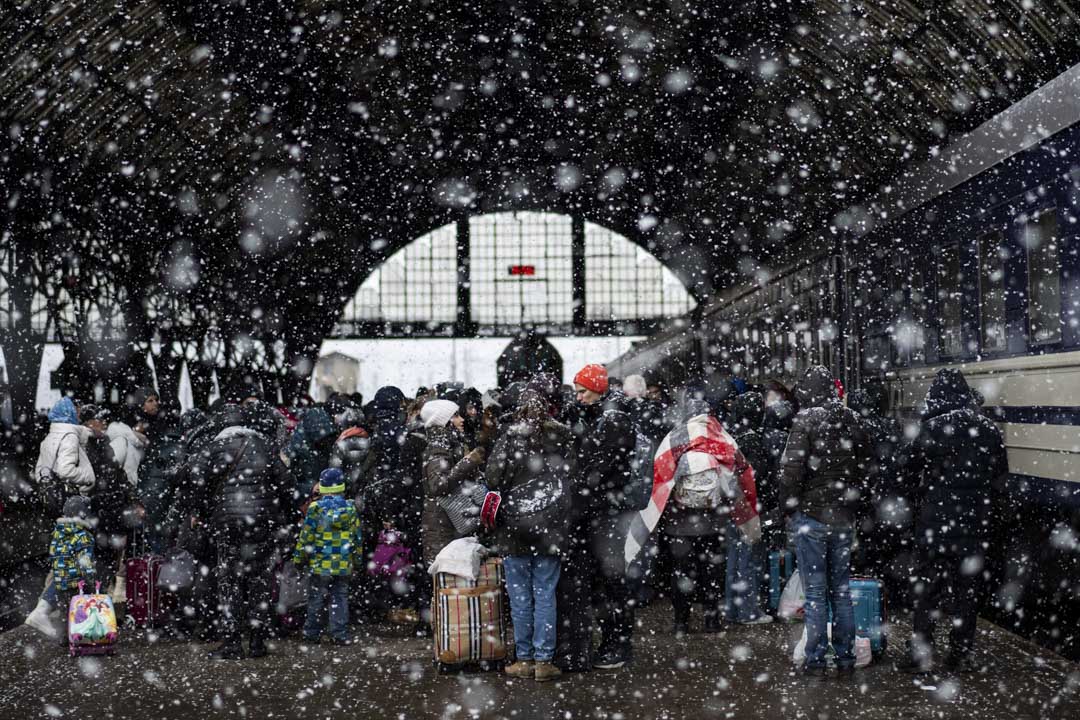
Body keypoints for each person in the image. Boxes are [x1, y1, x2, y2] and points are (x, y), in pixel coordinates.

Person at [896, 369, 1008, 674]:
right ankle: (961, 653)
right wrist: (988, 515)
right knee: (966, 592)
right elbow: (1000, 480)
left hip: (935, 526)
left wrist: (920, 496)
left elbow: (903, 470)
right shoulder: (988, 429)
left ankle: (921, 653)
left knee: (928, 591)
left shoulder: (931, 427)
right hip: (973, 526)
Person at [779, 365, 872, 677]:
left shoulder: (806, 420)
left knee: (816, 592)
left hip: (813, 517)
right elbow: (865, 468)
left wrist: (788, 506)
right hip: (843, 517)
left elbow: (791, 471)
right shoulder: (854, 420)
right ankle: (846, 659)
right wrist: (854, 503)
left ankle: (816, 660)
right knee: (841, 590)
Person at [183, 403, 294, 660]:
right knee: (259, 581)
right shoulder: (264, 445)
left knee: (229, 582)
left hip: (228, 524)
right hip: (261, 523)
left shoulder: (213, 447)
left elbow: (197, 482)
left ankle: (232, 643)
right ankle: (257, 642)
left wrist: (198, 511)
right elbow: (287, 482)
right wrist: (280, 512)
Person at [486, 388, 575, 682]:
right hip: (549, 529)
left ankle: (523, 659)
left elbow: (493, 478)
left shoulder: (509, 439)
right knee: (546, 594)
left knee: (520, 596)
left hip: (515, 529)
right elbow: (572, 477)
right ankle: (544, 660)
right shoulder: (561, 438)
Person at [562, 363, 637, 671]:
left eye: (582, 392)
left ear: (597, 389)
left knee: (610, 581)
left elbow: (597, 467)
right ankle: (613, 641)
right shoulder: (607, 416)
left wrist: (577, 486)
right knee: (607, 581)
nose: (578, 397)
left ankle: (617, 644)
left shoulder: (613, 422)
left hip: (604, 513)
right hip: (603, 511)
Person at [24, 397, 97, 638]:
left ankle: (56, 616)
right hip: (72, 503)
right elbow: (66, 470)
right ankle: (48, 612)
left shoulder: (50, 437)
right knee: (77, 561)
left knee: (64, 559)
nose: (78, 412)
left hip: (56, 506)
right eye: (75, 409)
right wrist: (87, 478)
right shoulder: (70, 435)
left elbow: (40, 472)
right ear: (69, 413)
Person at [293, 468, 363, 645]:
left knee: (316, 598)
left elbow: (306, 536)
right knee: (340, 597)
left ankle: (312, 632)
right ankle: (339, 634)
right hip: (343, 563)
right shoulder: (350, 508)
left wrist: (299, 558)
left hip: (320, 563)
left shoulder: (316, 508)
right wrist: (357, 561)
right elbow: (357, 538)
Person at [420, 399, 486, 569]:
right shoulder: (437, 447)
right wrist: (468, 462)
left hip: (449, 521)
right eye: (455, 416)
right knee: (446, 581)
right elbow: (438, 485)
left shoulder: (451, 444)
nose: (461, 419)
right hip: (442, 525)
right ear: (444, 421)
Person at [725, 391, 773, 624]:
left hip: (731, 503)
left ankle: (732, 609)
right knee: (749, 558)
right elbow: (758, 477)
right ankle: (748, 611)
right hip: (748, 505)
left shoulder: (730, 435)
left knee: (734, 557)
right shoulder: (753, 440)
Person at [49, 495, 97, 644]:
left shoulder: (57, 533)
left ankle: (64, 637)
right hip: (77, 581)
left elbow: (52, 554)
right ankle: (83, 636)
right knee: (82, 610)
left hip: (60, 581)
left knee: (65, 610)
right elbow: (85, 562)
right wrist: (91, 580)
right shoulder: (83, 536)